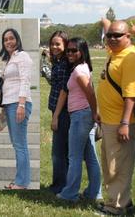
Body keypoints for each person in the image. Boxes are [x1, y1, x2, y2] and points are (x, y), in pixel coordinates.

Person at [96, 20, 135, 215]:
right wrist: (106, 23)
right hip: (108, 120)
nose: (113, 39)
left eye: (118, 35)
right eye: (110, 35)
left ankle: (116, 206)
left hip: (121, 122)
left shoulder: (130, 58)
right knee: (110, 164)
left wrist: (125, 122)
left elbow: (131, 94)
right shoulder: (114, 53)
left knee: (118, 166)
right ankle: (123, 200)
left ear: (128, 37)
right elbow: (109, 31)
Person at [55, 38, 101, 202]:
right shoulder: (83, 67)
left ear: (82, 51)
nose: (70, 53)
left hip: (80, 117)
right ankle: (94, 192)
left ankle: (70, 194)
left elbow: (90, 93)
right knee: (90, 157)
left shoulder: (79, 71)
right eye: (68, 50)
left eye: (74, 50)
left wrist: (95, 113)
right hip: (83, 115)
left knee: (74, 157)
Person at [0, 28, 33, 190]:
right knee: (17, 144)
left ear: (17, 40)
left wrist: (21, 104)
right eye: (5, 40)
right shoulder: (10, 58)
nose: (8, 42)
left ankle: (22, 183)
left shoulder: (22, 56)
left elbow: (25, 81)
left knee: (20, 145)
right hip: (10, 104)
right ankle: (20, 179)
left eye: (11, 38)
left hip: (19, 104)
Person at [48, 31, 71, 194]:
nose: (54, 47)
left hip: (62, 112)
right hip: (58, 110)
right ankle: (62, 183)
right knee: (62, 150)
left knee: (59, 151)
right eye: (53, 44)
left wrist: (55, 116)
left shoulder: (64, 64)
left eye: (58, 44)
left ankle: (60, 185)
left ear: (65, 45)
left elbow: (64, 90)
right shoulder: (58, 61)